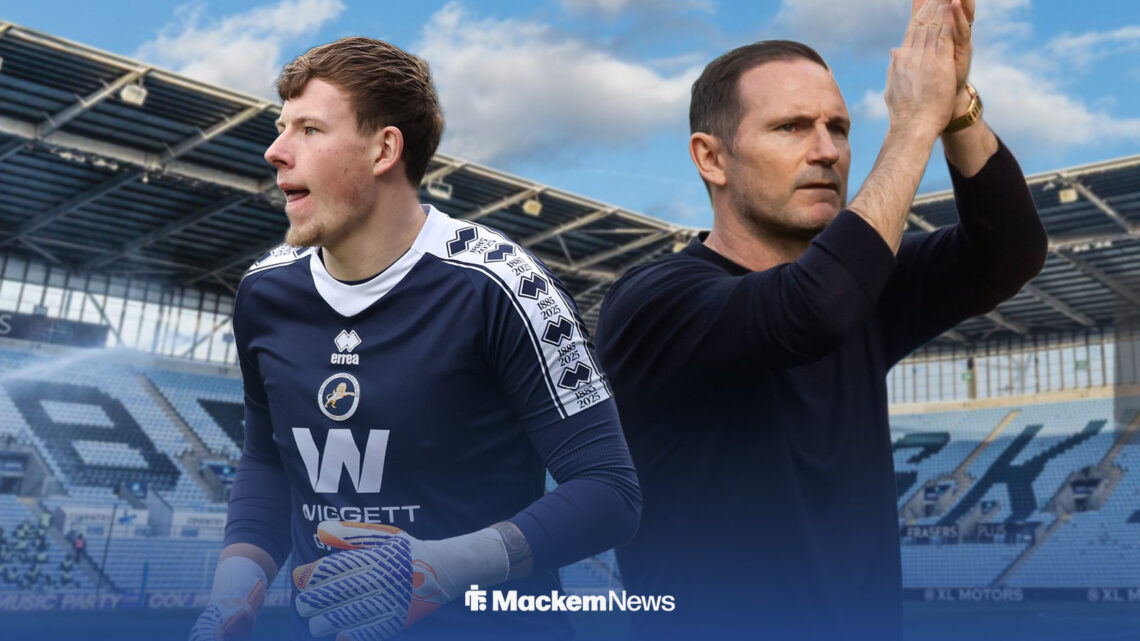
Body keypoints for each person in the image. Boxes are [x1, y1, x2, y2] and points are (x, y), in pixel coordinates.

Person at [594, 1, 1047, 639]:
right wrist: (912, 126)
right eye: (791, 128)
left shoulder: (858, 289)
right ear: (711, 158)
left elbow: (1010, 253)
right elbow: (810, 311)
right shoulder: (654, 302)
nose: (828, 151)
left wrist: (955, 109)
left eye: (839, 127)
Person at [190, 37, 641, 641]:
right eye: (281, 128)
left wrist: (439, 569)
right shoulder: (264, 293)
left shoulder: (504, 285)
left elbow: (609, 491)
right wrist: (233, 596)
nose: (275, 151)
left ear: (384, 148)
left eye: (310, 130)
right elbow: (267, 462)